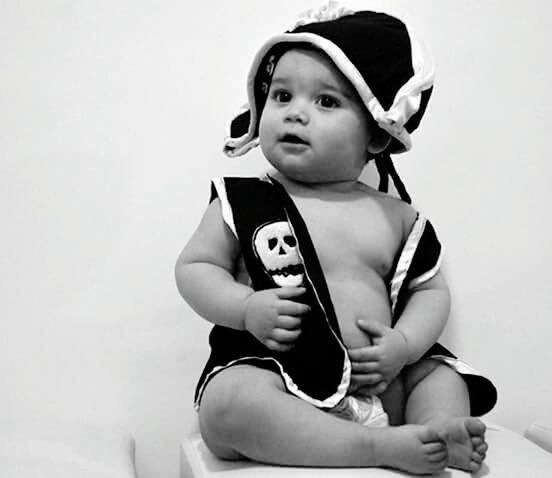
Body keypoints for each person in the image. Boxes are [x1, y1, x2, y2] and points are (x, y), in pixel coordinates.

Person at [176, 4, 497, 475]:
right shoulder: (243, 201)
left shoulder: (396, 216)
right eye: (281, 96)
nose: (295, 114)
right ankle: (375, 449)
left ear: (377, 135)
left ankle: (436, 431)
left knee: (441, 376)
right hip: (281, 375)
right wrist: (244, 308)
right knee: (227, 405)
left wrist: (404, 346)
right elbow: (195, 268)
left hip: (381, 380)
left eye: (326, 102)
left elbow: (429, 291)